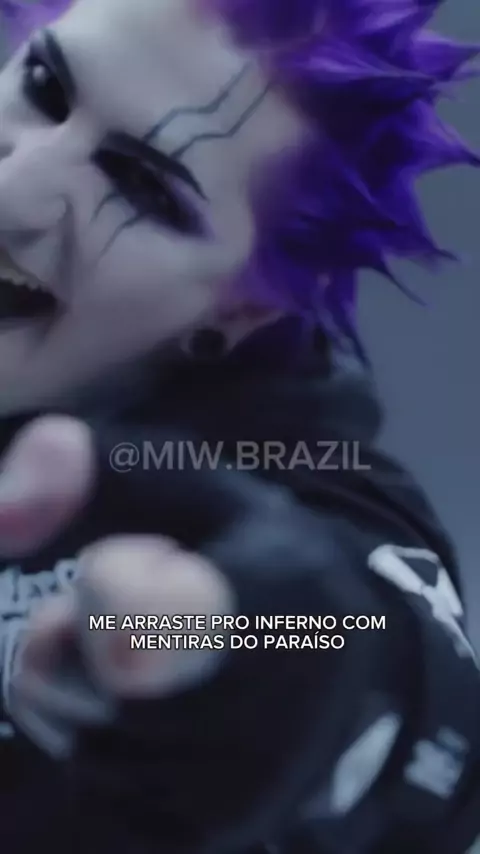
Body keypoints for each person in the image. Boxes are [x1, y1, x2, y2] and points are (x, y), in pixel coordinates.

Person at [0, 0, 479, 851]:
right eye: (43, 85)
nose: (11, 194)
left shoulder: (278, 491)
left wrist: (251, 648)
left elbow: (378, 659)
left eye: (143, 186)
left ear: (245, 306)